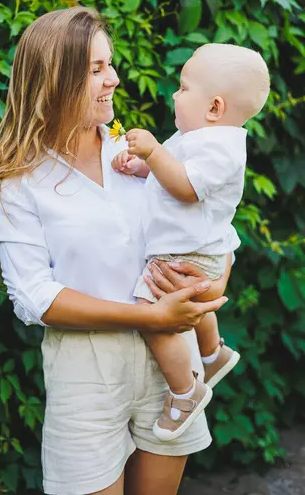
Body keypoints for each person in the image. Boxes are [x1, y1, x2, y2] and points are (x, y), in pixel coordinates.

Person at [0, 7, 230, 495]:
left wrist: (215, 282)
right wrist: (150, 318)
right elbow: (35, 298)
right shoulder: (17, 184)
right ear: (55, 80)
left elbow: (206, 222)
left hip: (172, 372)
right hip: (87, 371)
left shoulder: (138, 153)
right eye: (96, 69)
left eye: (111, 64)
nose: (115, 79)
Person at [111, 44, 270, 442]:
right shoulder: (196, 134)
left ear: (214, 107)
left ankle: (185, 392)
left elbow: (184, 186)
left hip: (191, 251)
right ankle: (213, 354)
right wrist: (143, 166)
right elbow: (174, 169)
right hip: (194, 247)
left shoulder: (221, 146)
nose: (174, 95)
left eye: (183, 88)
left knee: (154, 312)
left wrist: (151, 149)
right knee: (190, 299)